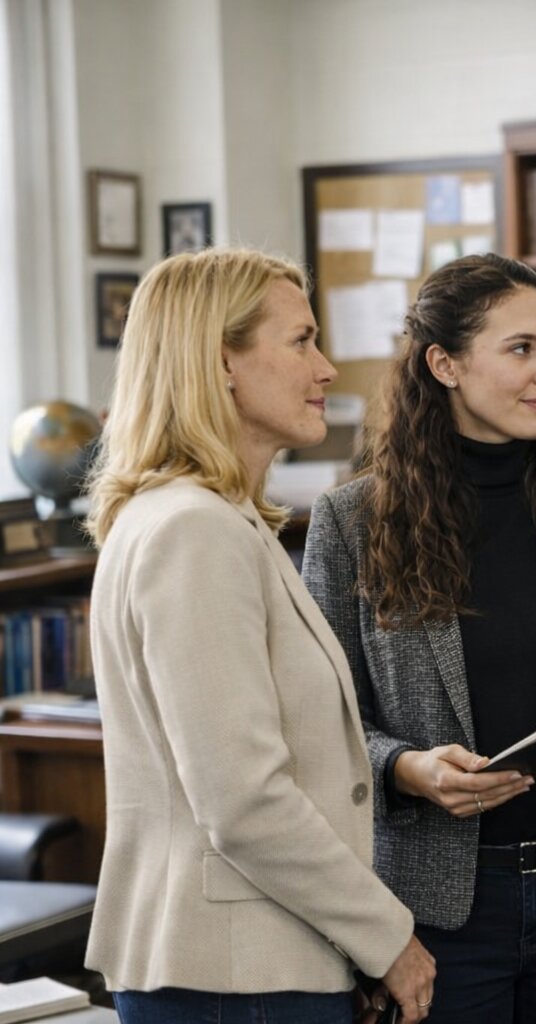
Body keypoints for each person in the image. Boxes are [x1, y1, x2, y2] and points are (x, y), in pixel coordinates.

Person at [302, 253, 536, 1023]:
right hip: (432, 913)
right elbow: (324, 724)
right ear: (444, 363)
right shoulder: (352, 523)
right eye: (521, 349)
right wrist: (407, 769)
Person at [83, 248, 436, 1023]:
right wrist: (386, 939)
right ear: (222, 363)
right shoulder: (194, 533)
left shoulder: (205, 520)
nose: (327, 368)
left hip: (251, 960)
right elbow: (243, 799)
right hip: (236, 975)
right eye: (301, 340)